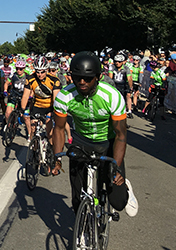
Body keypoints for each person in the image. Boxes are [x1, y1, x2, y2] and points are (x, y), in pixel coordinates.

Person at [52, 51, 138, 217]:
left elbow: (121, 135)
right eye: (77, 77)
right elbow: (59, 129)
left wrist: (116, 166)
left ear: (98, 77)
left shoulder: (112, 96)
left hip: (108, 142)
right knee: (77, 199)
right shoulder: (64, 96)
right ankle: (84, 230)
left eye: (87, 78)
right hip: (80, 141)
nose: (82, 82)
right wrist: (57, 158)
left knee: (117, 202)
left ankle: (125, 188)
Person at [21, 56, 61, 145]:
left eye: (42, 72)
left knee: (49, 131)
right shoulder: (30, 79)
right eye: (37, 72)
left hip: (49, 106)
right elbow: (25, 96)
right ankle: (34, 150)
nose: (39, 74)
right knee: (33, 128)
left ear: (47, 70)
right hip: (37, 105)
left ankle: (51, 151)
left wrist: (53, 112)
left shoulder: (54, 80)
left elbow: (55, 98)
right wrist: (23, 109)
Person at [3, 60, 28, 132]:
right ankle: (8, 124)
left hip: (23, 95)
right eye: (17, 68)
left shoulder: (27, 77)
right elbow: (6, 83)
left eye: (20, 69)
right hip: (14, 94)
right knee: (7, 113)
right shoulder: (13, 75)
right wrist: (5, 90)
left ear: (24, 69)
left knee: (23, 115)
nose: (18, 70)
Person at [110, 54, 134, 118]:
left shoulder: (126, 68)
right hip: (115, 84)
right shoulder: (112, 67)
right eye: (116, 61)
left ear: (122, 62)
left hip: (123, 85)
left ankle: (128, 110)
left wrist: (130, 87)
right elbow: (110, 77)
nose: (117, 63)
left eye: (119, 62)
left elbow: (129, 78)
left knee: (127, 96)